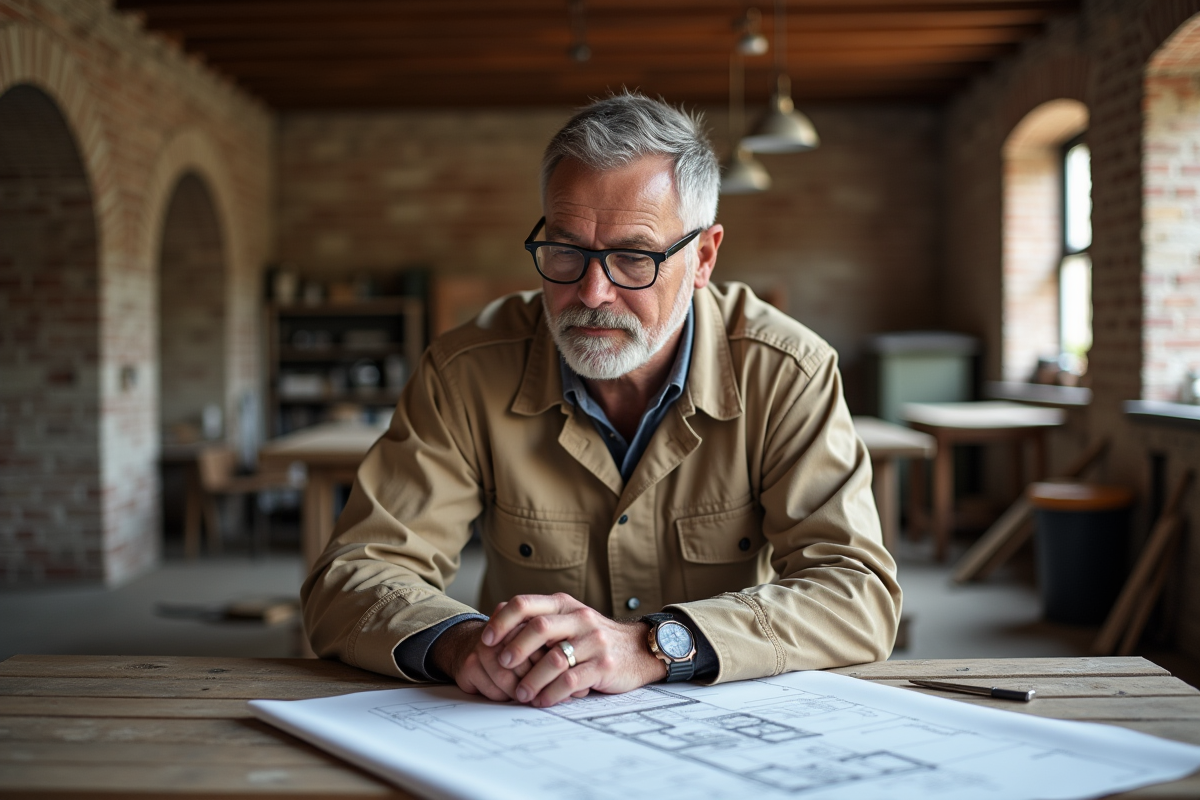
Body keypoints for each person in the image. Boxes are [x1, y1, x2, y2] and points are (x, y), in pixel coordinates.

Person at [301, 92, 901, 708]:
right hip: (528, 717)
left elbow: (856, 594)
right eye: (565, 251)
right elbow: (352, 576)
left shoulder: (787, 372)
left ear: (703, 257)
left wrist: (654, 647)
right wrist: (462, 644)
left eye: (634, 257)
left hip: (721, 721)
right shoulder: (464, 370)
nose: (591, 293)